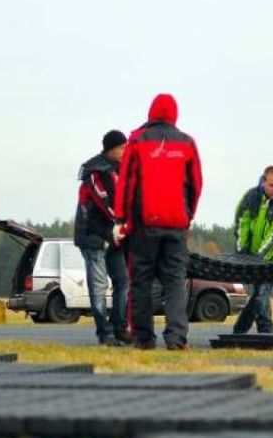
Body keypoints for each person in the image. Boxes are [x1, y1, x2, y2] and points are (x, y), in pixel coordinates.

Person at [113, 94, 202, 350]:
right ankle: (176, 338)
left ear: (151, 113)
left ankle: (143, 338)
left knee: (141, 280)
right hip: (176, 224)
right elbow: (196, 184)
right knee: (175, 282)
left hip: (144, 224)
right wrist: (188, 216)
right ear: (174, 114)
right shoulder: (187, 143)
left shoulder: (138, 141)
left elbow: (126, 184)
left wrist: (122, 218)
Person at [75, 129, 130, 346]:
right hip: (94, 239)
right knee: (98, 286)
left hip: (113, 239)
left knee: (122, 281)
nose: (125, 151)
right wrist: (125, 223)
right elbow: (106, 204)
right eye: (121, 148)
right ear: (111, 149)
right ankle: (104, 333)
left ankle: (119, 326)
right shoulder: (95, 173)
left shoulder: (118, 171)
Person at [232, 165, 273, 334]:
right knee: (261, 294)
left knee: (261, 293)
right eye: (272, 185)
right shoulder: (250, 197)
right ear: (263, 182)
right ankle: (265, 331)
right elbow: (241, 224)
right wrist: (242, 252)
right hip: (252, 255)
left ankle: (241, 330)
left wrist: (260, 257)